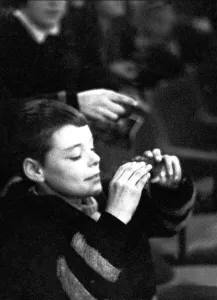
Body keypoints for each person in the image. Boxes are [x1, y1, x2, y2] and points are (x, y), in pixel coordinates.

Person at [0, 99, 195, 299]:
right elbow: (81, 290)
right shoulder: (25, 229)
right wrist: (116, 217)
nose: (95, 159)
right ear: (35, 170)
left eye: (92, 149)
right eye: (75, 156)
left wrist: (169, 189)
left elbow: (169, 225)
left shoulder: (101, 194)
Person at [0, 0, 142, 189]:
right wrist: (73, 103)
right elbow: (8, 110)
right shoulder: (9, 37)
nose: (54, 3)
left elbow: (79, 74)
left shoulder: (55, 34)